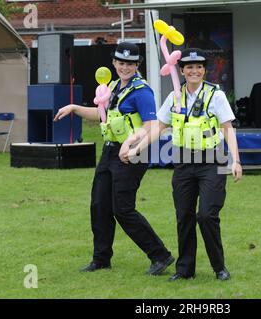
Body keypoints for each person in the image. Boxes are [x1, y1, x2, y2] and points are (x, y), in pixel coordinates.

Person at [120, 48, 243, 281]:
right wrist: (137, 148)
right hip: (184, 162)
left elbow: (228, 129)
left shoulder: (215, 95)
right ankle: (185, 270)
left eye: (198, 67)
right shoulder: (174, 97)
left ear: (204, 70)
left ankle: (219, 267)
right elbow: (158, 127)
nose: (194, 71)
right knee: (184, 216)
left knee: (206, 215)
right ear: (182, 70)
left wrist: (235, 160)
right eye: (189, 67)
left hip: (213, 160)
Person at [54, 42, 174, 275]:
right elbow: (102, 116)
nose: (125, 67)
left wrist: (131, 147)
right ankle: (101, 259)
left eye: (130, 63)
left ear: (137, 65)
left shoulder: (142, 90)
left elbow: (151, 127)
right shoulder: (114, 87)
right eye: (121, 62)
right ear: (114, 63)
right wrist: (74, 107)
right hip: (109, 152)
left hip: (133, 154)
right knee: (99, 206)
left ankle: (160, 255)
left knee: (123, 209)